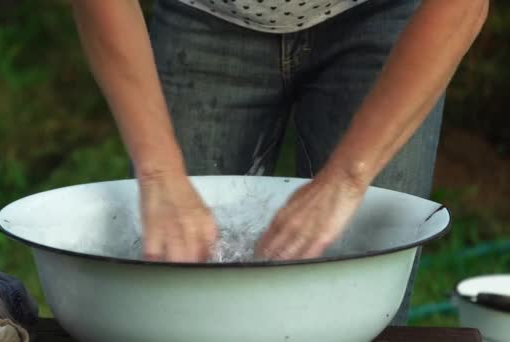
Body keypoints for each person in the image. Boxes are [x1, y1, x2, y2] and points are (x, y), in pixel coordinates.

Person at [70, 0, 488, 324]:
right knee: (176, 298)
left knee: (370, 293)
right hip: (202, 15)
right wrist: (158, 171)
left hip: (383, 15)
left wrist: (348, 177)